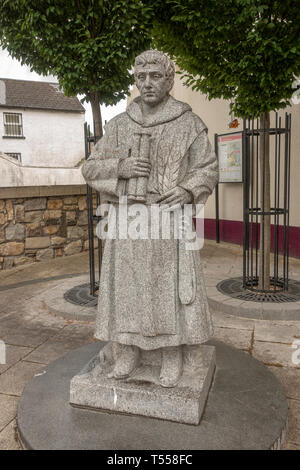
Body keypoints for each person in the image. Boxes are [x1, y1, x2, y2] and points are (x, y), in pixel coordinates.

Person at [82, 50, 218, 387]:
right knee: (128, 288)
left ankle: (171, 355)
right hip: (129, 224)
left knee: (168, 289)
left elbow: (208, 168)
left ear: (169, 79)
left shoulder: (189, 124)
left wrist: (187, 190)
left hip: (169, 223)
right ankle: (127, 351)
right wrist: (120, 168)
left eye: (155, 76)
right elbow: (89, 167)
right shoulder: (118, 126)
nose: (147, 83)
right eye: (141, 77)